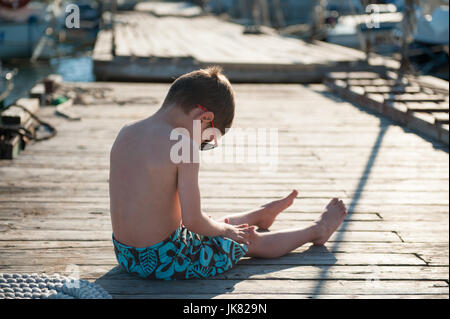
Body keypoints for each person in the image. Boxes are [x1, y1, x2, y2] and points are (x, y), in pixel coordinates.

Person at [109, 66, 347, 280]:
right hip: (163, 262)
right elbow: (193, 222)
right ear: (205, 119)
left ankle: (260, 215)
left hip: (126, 255)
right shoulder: (183, 145)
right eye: (208, 139)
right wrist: (229, 232)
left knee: (215, 227)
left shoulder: (126, 132)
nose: (203, 144)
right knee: (246, 240)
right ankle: (318, 230)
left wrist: (221, 228)